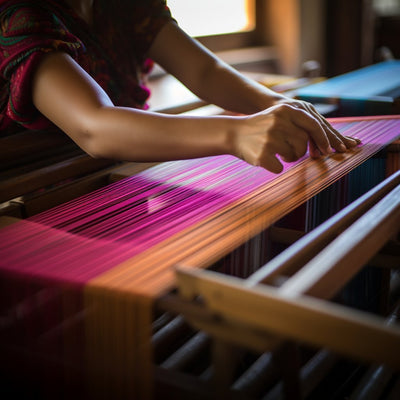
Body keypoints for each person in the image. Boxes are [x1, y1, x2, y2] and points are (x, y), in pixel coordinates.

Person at [0, 0, 360, 174]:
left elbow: (204, 71)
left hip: (125, 177)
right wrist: (237, 134)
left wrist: (280, 103)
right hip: (46, 202)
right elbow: (94, 126)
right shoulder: (20, 14)